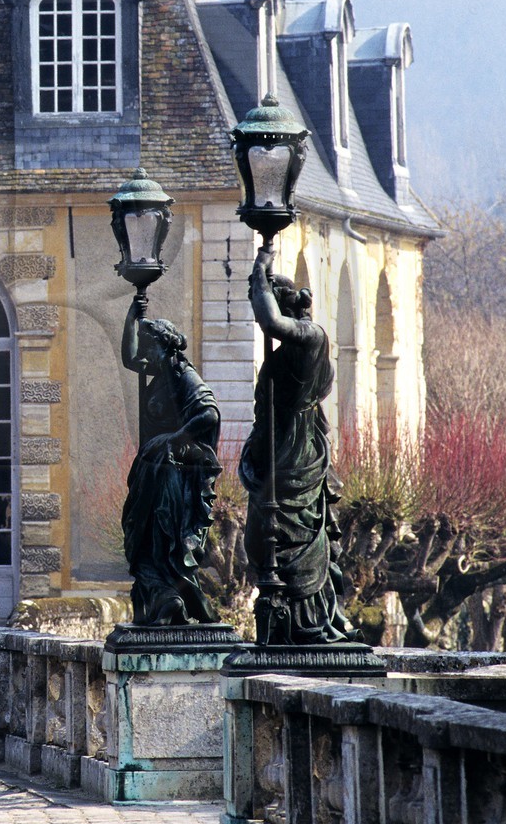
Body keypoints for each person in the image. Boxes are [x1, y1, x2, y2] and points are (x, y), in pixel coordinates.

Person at [239, 245, 357, 644]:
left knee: (289, 532)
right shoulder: (295, 344)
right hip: (279, 442)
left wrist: (260, 270)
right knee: (261, 532)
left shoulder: (311, 338)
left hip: (295, 451)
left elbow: (269, 322)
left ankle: (304, 620)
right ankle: (288, 615)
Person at [119, 293, 223, 626]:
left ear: (166, 348)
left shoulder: (184, 377)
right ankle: (164, 600)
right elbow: (129, 358)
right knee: (143, 535)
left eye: (150, 348)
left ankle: (171, 598)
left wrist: (173, 440)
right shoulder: (160, 373)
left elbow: (209, 415)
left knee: (162, 537)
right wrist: (130, 318)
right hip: (152, 470)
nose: (145, 355)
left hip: (171, 475)